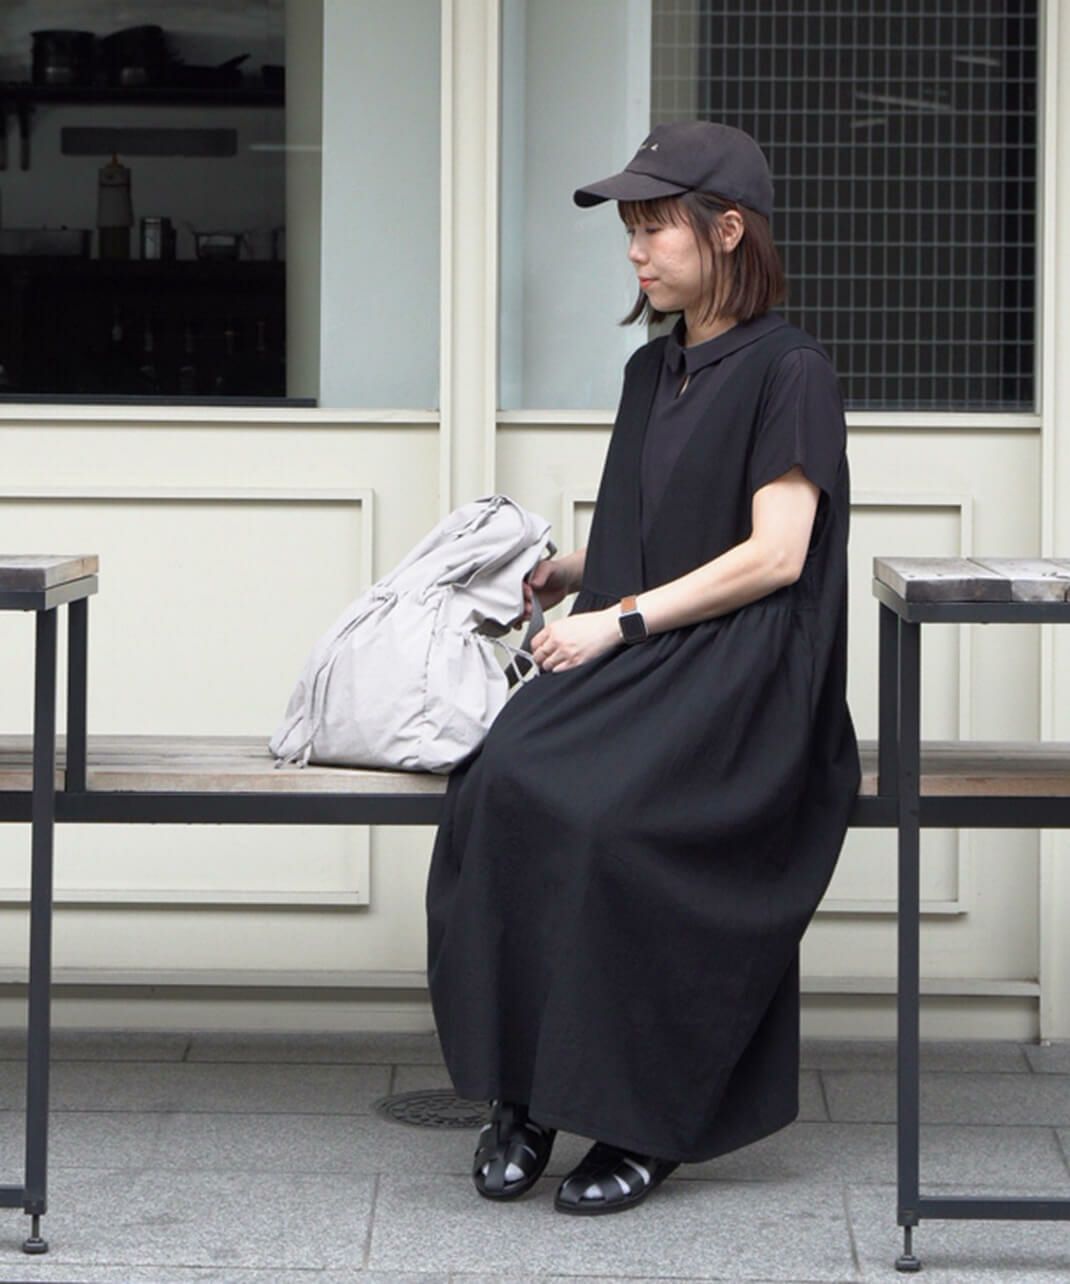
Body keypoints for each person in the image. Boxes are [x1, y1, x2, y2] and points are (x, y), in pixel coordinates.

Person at [425, 119, 861, 1216]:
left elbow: (775, 557)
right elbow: (656, 525)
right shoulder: (650, 367)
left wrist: (614, 622)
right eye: (630, 230)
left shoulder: (791, 371)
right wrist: (570, 571)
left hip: (747, 673)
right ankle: (524, 1093)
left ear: (728, 230)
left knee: (614, 823)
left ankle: (644, 1119)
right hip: (652, 648)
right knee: (499, 786)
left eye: (655, 227)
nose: (635, 251)